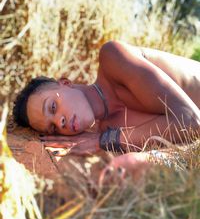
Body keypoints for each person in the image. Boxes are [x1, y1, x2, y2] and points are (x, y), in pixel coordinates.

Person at [13, 40, 200, 177]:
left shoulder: (113, 57)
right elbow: (187, 144)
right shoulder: (109, 128)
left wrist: (104, 140)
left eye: (53, 107)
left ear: (65, 83)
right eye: (53, 127)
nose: (60, 122)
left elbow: (192, 121)